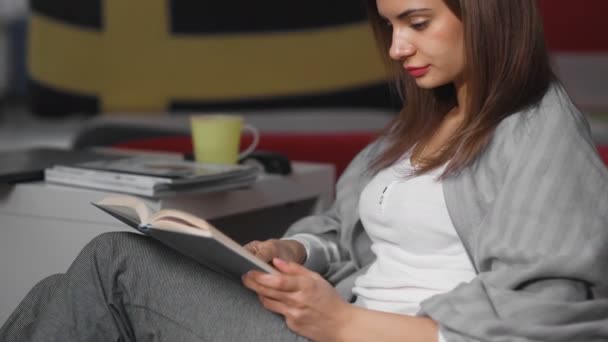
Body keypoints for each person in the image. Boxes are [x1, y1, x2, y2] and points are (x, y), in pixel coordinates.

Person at [2, 0, 608, 341]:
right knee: (64, 296)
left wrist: (344, 323)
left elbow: (543, 315)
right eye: (390, 26)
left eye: (417, 23)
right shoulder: (423, 122)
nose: (396, 49)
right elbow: (350, 229)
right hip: (329, 317)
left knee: (114, 262)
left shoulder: (537, 125)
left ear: (486, 14)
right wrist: (296, 250)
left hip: (360, 334)